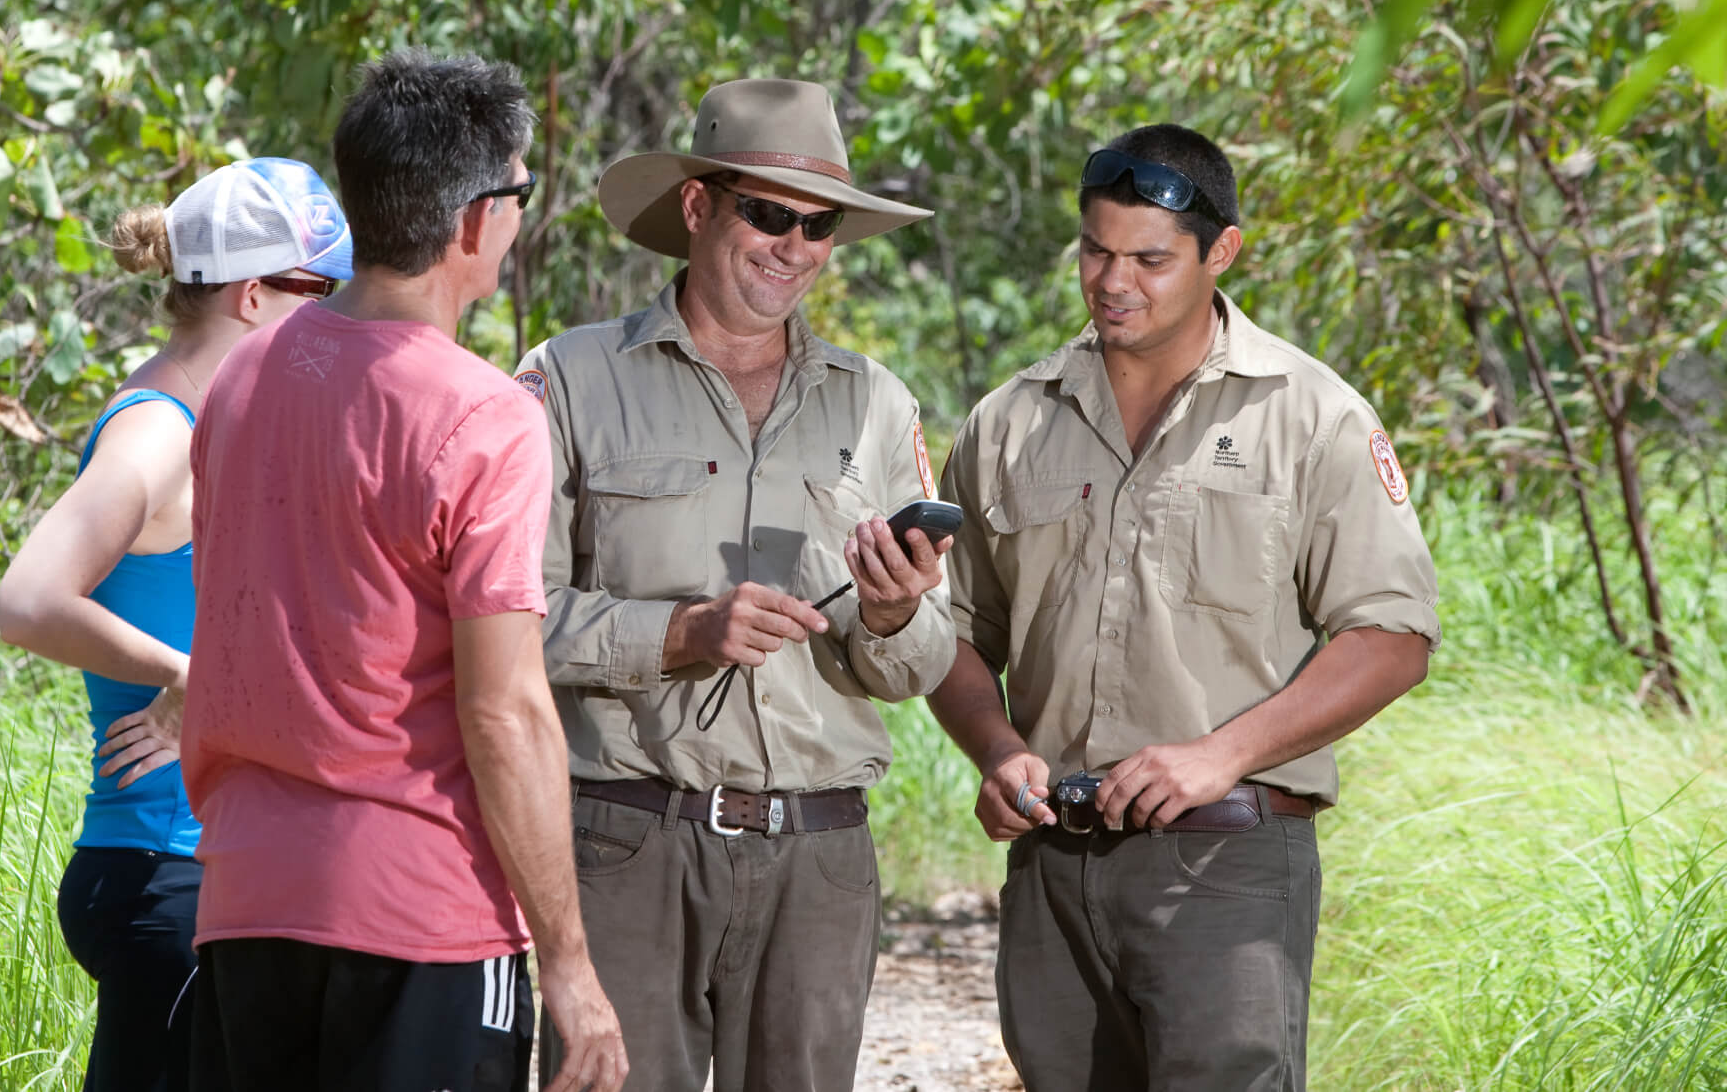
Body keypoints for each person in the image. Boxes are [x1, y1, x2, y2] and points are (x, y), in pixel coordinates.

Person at [927, 123, 1441, 1092]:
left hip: (1227, 867)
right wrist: (995, 750)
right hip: (1053, 871)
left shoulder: (1310, 415)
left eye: (1149, 259)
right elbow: (952, 633)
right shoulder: (1005, 422)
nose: (1112, 280)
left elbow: (1391, 637)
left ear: (1221, 252)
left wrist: (1217, 755)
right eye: (1094, 249)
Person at [179, 50, 626, 1092]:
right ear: (475, 222)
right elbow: (504, 711)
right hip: (421, 914)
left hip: (245, 898)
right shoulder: (485, 417)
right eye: (519, 192)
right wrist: (568, 968)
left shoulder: (245, 375)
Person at [517, 78, 956, 1091]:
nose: (792, 246)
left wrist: (891, 614)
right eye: (766, 213)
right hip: (625, 840)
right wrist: (676, 635)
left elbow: (922, 659)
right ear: (695, 206)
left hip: (818, 855)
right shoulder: (571, 379)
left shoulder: (875, 404)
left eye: (818, 224)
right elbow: (502, 621)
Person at [0, 158, 355, 1092]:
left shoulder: (222, 421)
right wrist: (192, 675)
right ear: (249, 295)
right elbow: (29, 598)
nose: (334, 315)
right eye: (319, 289)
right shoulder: (156, 432)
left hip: (204, 868)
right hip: (164, 870)